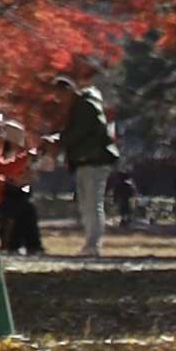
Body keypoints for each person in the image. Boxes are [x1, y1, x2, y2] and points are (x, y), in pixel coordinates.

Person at [53, 73, 119, 258]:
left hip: (94, 160)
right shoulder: (78, 107)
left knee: (92, 203)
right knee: (86, 204)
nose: (60, 100)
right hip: (83, 161)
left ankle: (93, 244)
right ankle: (90, 242)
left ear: (69, 90)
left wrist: (59, 142)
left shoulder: (85, 106)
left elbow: (78, 132)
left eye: (60, 95)